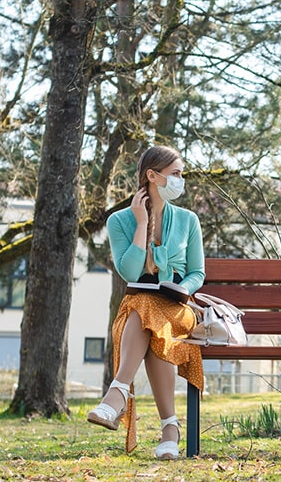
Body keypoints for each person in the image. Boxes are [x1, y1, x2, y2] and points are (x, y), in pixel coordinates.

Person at [87, 145, 205, 460]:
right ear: (152, 176)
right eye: (176, 174)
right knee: (146, 315)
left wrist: (183, 290)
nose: (182, 180)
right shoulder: (119, 221)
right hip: (139, 307)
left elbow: (197, 273)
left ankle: (116, 394)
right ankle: (170, 428)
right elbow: (127, 271)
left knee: (148, 314)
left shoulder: (188, 220)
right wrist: (142, 224)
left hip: (178, 307)